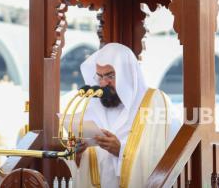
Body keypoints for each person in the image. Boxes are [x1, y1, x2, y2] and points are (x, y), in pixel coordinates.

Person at [73, 43, 180, 188]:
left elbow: (163, 153)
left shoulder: (155, 102)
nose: (103, 83)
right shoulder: (92, 107)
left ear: (126, 73)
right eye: (99, 76)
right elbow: (85, 163)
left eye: (110, 75)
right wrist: (78, 154)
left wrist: (121, 150)